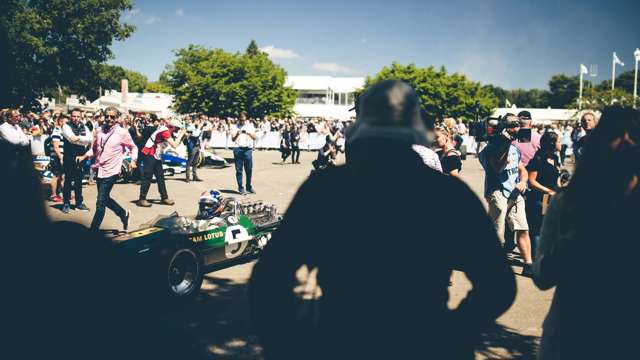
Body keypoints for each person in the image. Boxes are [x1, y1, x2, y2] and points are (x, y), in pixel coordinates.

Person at [249, 80, 516, 360]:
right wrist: (455, 331)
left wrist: (286, 342)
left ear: (361, 128)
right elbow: (498, 284)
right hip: (425, 340)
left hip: (341, 340)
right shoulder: (448, 194)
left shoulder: (325, 190)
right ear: (415, 131)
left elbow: (269, 278)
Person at [533, 106, 640, 359]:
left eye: (633, 137)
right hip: (571, 335)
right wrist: (581, 235)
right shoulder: (568, 202)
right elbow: (541, 275)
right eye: (617, 135)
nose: (625, 143)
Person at [479, 114, 534, 276]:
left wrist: (523, 182)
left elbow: (522, 170)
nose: (515, 129)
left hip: (514, 193)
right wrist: (504, 144)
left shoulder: (515, 149)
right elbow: (497, 168)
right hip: (497, 191)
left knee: (523, 228)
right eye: (511, 125)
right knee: (498, 229)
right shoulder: (490, 149)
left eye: (517, 125)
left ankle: (528, 264)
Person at [80, 107, 137, 231]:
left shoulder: (122, 132)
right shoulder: (99, 130)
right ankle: (123, 214)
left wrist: (133, 161)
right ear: (103, 117)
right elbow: (94, 149)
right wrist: (84, 156)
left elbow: (133, 147)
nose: (109, 119)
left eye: (112, 117)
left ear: (117, 118)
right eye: (107, 116)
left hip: (112, 171)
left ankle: (93, 231)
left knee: (100, 203)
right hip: (99, 170)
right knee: (105, 199)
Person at [525, 131, 561, 255]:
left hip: (552, 197)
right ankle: (536, 257)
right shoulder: (538, 159)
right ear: (551, 143)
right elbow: (531, 181)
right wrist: (549, 191)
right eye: (558, 141)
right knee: (538, 228)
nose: (561, 144)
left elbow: (555, 177)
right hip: (540, 198)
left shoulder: (555, 158)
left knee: (552, 226)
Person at [137, 118, 186, 207]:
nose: (178, 131)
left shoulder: (166, 130)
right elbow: (174, 145)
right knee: (147, 176)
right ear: (173, 127)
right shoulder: (165, 131)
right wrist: (181, 134)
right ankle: (142, 199)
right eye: (177, 129)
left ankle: (164, 197)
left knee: (160, 176)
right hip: (150, 153)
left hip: (156, 155)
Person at [61, 108, 93, 213]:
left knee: (79, 181)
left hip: (80, 156)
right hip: (69, 156)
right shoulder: (66, 126)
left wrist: (78, 138)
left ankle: (79, 203)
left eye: (78, 116)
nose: (76, 118)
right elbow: (70, 139)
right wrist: (82, 140)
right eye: (74, 116)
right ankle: (66, 203)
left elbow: (90, 139)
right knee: (68, 181)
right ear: (71, 116)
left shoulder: (84, 127)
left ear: (81, 117)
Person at [231, 112, 257, 195]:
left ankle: (248, 186)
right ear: (238, 119)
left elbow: (255, 137)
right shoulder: (234, 126)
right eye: (241, 120)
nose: (242, 121)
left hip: (247, 149)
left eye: (244, 120)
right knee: (239, 170)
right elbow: (233, 139)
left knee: (249, 169)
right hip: (238, 148)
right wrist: (238, 133)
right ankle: (240, 188)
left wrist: (248, 133)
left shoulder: (250, 126)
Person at [47, 116, 66, 202]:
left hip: (60, 157)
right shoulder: (56, 131)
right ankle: (53, 195)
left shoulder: (61, 131)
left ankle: (63, 193)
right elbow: (55, 147)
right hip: (56, 157)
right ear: (60, 122)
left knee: (62, 176)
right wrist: (61, 157)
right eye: (65, 122)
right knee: (55, 176)